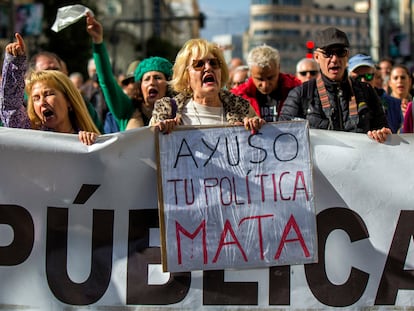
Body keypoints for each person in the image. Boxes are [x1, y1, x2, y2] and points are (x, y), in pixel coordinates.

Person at [279, 27, 391, 143]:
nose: (335, 59)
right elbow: (283, 137)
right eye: (328, 53)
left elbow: (384, 131)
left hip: (360, 160)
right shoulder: (301, 93)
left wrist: (381, 134)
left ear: (347, 55)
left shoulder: (366, 91)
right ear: (316, 57)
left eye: (340, 52)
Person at [0, 33, 100, 145]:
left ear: (68, 100)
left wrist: (91, 144)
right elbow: (10, 106)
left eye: (48, 94)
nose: (42, 102)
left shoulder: (86, 140)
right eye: (36, 98)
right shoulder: (30, 136)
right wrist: (15, 63)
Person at [149, 38, 265, 134]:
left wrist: (256, 126)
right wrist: (158, 131)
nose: (208, 68)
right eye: (199, 64)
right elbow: (149, 151)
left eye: (213, 63)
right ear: (186, 76)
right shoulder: (167, 111)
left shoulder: (241, 108)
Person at [85, 12, 173, 131]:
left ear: (168, 84)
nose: (152, 82)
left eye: (157, 77)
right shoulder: (127, 110)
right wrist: (98, 42)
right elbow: (107, 81)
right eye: (146, 79)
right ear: (140, 87)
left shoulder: (180, 110)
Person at [231, 44, 301, 122]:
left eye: (270, 78)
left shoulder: (296, 90)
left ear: (278, 68)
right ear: (250, 73)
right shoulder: (238, 97)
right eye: (259, 79)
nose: (265, 85)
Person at [348, 53, 402, 133]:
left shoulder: (394, 103)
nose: (363, 81)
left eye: (368, 76)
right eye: (357, 78)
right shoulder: (341, 102)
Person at [80, 58, 108, 124]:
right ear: (89, 72)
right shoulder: (83, 90)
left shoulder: (107, 89)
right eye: (94, 71)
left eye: (99, 70)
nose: (96, 73)